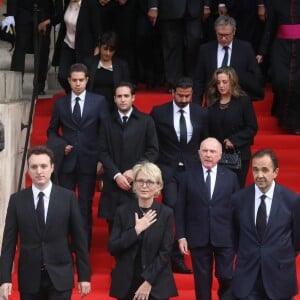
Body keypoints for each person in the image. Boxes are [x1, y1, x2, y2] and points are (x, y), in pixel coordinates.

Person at [0, 145, 91, 300]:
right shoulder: (17, 200)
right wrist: (4, 279)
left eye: (44, 166)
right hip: (29, 277)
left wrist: (84, 276)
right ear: (28, 170)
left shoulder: (67, 198)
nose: (39, 171)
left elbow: (79, 240)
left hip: (60, 276)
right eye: (34, 167)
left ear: (52, 168)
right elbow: (9, 243)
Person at [150, 77, 208, 273]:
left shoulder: (201, 113)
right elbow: (152, 141)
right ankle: (166, 254)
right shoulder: (159, 113)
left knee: (191, 209)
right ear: (173, 92)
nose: (184, 99)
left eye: (188, 96)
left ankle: (177, 254)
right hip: (168, 169)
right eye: (181, 95)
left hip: (193, 169)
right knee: (172, 206)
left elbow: (205, 140)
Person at [47, 63, 108, 249]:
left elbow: (105, 132)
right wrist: (61, 144)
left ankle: (83, 248)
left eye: (81, 80)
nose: (78, 83)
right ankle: (65, 247)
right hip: (66, 163)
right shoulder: (60, 103)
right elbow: (51, 132)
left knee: (84, 206)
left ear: (87, 80)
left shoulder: (98, 101)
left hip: (89, 162)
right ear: (69, 81)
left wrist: (101, 160)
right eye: (74, 80)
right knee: (65, 206)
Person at [175, 137, 239, 300]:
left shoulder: (230, 177)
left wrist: (238, 237)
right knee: (202, 281)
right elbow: (180, 208)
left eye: (212, 151)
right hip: (198, 236)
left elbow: (236, 209)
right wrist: (181, 236)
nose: (208, 155)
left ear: (220, 155)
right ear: (198, 153)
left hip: (225, 237)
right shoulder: (187, 177)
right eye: (205, 151)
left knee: (226, 275)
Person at [232, 148, 300, 299]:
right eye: (255, 170)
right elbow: (235, 235)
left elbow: (296, 241)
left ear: (275, 172)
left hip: (279, 277)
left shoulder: (292, 200)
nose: (260, 175)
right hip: (248, 276)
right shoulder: (238, 199)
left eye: (265, 170)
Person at [108, 161, 178, 300]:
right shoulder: (123, 211)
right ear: (134, 184)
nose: (144, 186)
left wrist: (148, 281)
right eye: (140, 181)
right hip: (127, 283)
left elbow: (165, 253)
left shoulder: (166, 214)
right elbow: (113, 247)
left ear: (159, 185)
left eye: (150, 182)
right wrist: (136, 230)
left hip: (156, 284)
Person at [98, 82, 159, 232]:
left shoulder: (146, 121)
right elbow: (102, 151)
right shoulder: (106, 122)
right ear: (114, 99)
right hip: (113, 184)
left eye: (126, 96)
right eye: (119, 96)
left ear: (133, 98)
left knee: (139, 227)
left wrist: (134, 171)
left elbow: (153, 150)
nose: (123, 99)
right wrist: (116, 175)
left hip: (138, 183)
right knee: (114, 228)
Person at [193, 15, 264, 104]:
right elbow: (199, 80)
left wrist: (234, 76)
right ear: (215, 31)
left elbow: (256, 77)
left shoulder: (245, 48)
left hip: (237, 101)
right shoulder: (205, 49)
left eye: (226, 35)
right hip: (212, 102)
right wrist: (196, 107)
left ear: (234, 32)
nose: (223, 38)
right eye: (220, 35)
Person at [206, 67, 258, 187]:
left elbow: (252, 127)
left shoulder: (243, 101)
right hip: (216, 155)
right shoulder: (212, 101)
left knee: (235, 190)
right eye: (218, 82)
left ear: (232, 82)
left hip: (238, 155)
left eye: (225, 82)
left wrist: (234, 140)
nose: (221, 86)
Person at [148, 0, 211, 92]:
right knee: (171, 45)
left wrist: (207, 4)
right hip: (170, 8)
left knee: (194, 41)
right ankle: (174, 83)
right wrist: (153, 6)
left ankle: (192, 80)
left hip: (195, 7)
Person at [257, 0, 300, 134]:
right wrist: (262, 51)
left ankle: (295, 123)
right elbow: (269, 28)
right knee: (281, 81)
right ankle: (283, 117)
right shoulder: (277, 3)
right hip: (281, 48)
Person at [2, 0, 57, 95]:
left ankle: (39, 86)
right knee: (20, 48)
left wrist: (57, 17)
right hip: (23, 11)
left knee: (42, 49)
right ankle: (16, 85)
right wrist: (10, 14)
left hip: (44, 12)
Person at [52, 0, 102, 92]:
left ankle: (81, 99)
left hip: (84, 47)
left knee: (83, 76)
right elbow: (63, 18)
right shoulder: (68, 3)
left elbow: (97, 27)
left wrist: (97, 47)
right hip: (67, 44)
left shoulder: (91, 4)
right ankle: (72, 95)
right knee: (62, 76)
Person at [86, 31, 130, 112]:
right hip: (92, 108)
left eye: (111, 50)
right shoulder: (89, 63)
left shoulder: (122, 65)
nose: (108, 53)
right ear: (99, 47)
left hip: (114, 108)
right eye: (105, 49)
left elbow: (127, 88)